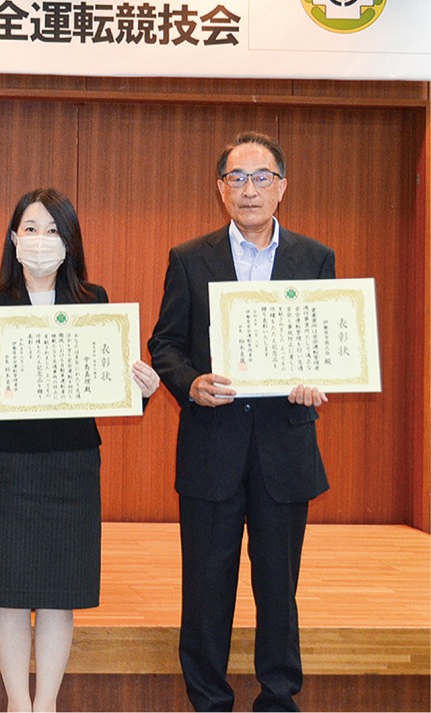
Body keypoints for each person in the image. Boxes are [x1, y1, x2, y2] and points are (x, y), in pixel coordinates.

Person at [148, 131, 335, 712]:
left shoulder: (315, 258)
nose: (249, 189)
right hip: (212, 446)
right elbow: (165, 344)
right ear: (221, 189)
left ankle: (278, 698)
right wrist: (190, 384)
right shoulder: (189, 258)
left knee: (279, 588)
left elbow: (328, 342)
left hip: (285, 446)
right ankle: (209, 700)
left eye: (261, 177)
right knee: (207, 588)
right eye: (237, 178)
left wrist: (316, 378)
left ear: (282, 186)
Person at [0, 188, 159, 712]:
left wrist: (141, 387)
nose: (41, 240)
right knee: (8, 592)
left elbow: (110, 381)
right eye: (30, 229)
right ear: (13, 238)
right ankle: (16, 704)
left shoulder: (93, 301)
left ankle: (45, 704)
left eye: (52, 230)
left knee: (58, 591)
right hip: (8, 462)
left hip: (71, 463)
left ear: (70, 241)